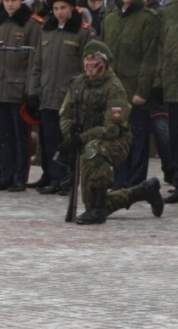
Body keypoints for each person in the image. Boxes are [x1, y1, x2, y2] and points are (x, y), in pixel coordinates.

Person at [56, 41, 164, 224]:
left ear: (105, 62)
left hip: (116, 142)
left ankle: (97, 210)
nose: (90, 63)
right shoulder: (78, 83)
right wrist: (70, 133)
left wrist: (82, 138)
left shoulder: (114, 88)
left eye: (95, 59)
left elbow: (113, 128)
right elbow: (65, 113)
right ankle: (142, 191)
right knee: (90, 199)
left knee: (93, 150)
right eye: (87, 58)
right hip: (88, 140)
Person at [26, 0, 93, 194]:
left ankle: (66, 179)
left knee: (67, 141)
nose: (59, 12)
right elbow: (37, 64)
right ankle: (51, 176)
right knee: (49, 139)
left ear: (72, 8)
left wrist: (79, 93)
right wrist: (33, 91)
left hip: (68, 98)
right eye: (55, 9)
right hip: (47, 95)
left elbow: (85, 67)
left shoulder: (82, 31)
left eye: (63, 8)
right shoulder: (47, 30)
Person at [100, 0, 160, 189]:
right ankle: (119, 180)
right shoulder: (110, 19)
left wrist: (142, 90)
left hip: (135, 92)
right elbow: (102, 54)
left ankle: (136, 183)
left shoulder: (148, 19)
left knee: (137, 139)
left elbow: (150, 57)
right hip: (114, 92)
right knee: (116, 136)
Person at [0, 0, 41, 192]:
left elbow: (34, 59)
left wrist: (31, 89)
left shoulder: (30, 24)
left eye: (14, 0)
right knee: (3, 136)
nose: (10, 4)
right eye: (7, 0)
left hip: (18, 89)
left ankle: (19, 176)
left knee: (20, 136)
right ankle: (5, 174)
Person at [161, 0, 178, 204]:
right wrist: (159, 82)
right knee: (175, 135)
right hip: (174, 85)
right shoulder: (170, 10)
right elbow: (162, 47)